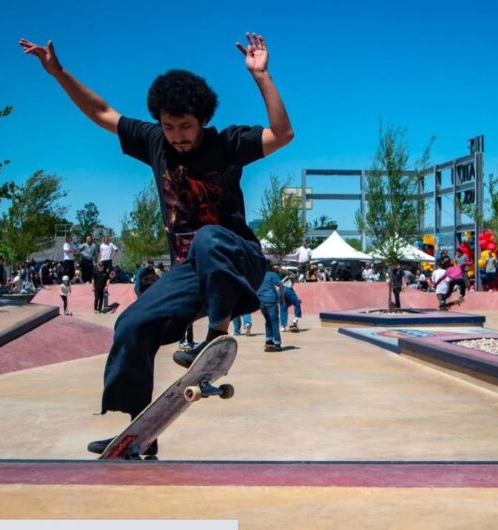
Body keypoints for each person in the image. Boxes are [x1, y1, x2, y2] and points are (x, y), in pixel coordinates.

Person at [20, 31, 293, 457]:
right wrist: (59, 74)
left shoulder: (228, 143)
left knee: (207, 238)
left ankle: (215, 335)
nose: (177, 136)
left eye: (185, 127)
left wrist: (262, 77)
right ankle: (137, 433)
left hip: (239, 259)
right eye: (169, 127)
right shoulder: (154, 142)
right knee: (130, 325)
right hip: (191, 274)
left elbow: (283, 133)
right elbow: (102, 112)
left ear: (202, 120)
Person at [257, 262, 284, 352]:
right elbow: (280, 285)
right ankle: (277, 343)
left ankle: (269, 341)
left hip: (261, 301)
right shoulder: (273, 274)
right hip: (271, 300)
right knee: (275, 322)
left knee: (268, 320)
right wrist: (282, 297)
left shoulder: (259, 275)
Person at [277, 265, 302, 331]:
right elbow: (291, 274)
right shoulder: (288, 275)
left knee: (283, 308)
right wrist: (281, 269)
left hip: (280, 292)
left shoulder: (278, 277)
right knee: (297, 302)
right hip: (287, 290)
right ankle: (296, 319)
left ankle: (283, 326)